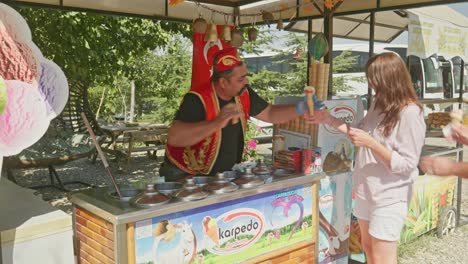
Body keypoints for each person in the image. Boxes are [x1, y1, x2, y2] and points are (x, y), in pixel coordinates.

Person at [307, 52, 426, 264]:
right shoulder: (378, 103)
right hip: (366, 191)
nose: (370, 83)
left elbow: (407, 165)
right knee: (368, 249)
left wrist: (371, 143)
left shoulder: (410, 113)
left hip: (389, 195)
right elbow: (359, 133)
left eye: (374, 78)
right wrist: (329, 119)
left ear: (390, 78)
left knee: (383, 258)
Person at [160, 47, 322, 181]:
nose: (247, 82)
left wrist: (299, 109)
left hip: (220, 177)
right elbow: (175, 137)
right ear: (223, 82)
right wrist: (218, 121)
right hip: (185, 175)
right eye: (241, 79)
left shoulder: (243, 93)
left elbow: (270, 114)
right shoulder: (197, 99)